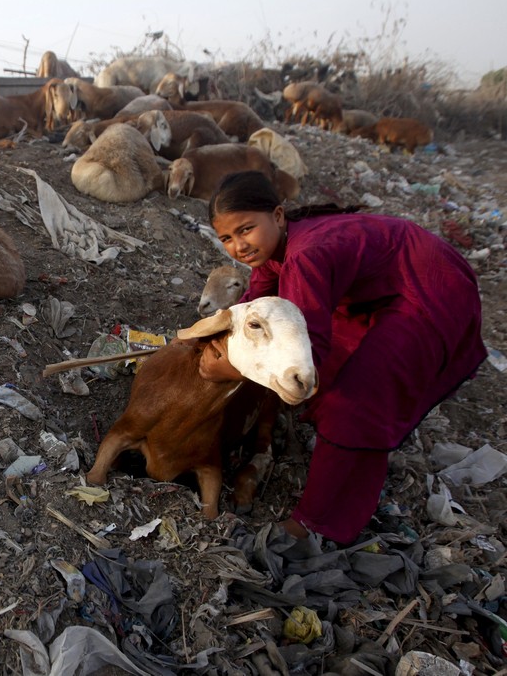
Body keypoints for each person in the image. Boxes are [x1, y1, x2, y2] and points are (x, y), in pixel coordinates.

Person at [205, 170, 487, 544]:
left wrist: (227, 366)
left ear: (277, 215)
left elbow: (309, 351)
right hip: (390, 281)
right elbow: (252, 306)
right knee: (336, 361)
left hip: (430, 288)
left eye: (245, 229)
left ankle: (319, 521)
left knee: (356, 402)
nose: (238, 246)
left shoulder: (305, 255)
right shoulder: (275, 249)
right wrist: (213, 335)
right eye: (226, 237)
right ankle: (334, 442)